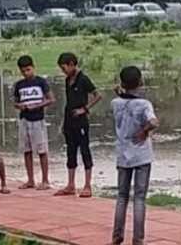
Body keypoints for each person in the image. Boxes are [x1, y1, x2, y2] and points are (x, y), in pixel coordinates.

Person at [110, 66, 158, 245]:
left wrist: (119, 91)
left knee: (122, 197)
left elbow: (123, 98)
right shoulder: (144, 105)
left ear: (122, 83)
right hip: (142, 156)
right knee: (139, 198)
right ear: (140, 82)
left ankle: (117, 236)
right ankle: (138, 239)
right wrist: (144, 130)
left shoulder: (115, 103)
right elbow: (154, 122)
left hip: (123, 156)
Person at [55, 52, 101, 198]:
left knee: (85, 150)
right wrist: (63, 122)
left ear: (72, 64)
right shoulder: (68, 80)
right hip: (69, 120)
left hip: (81, 121)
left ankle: (87, 185)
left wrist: (84, 109)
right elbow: (68, 102)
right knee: (71, 151)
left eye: (64, 68)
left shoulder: (83, 79)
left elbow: (98, 95)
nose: (63, 71)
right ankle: (71, 185)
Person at [13, 54, 54, 190]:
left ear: (33, 68)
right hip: (24, 119)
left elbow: (50, 99)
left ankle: (45, 180)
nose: (26, 73)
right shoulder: (19, 85)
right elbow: (15, 102)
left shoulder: (41, 82)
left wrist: (37, 105)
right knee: (27, 150)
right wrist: (20, 106)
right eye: (23, 71)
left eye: (28, 70)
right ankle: (30, 180)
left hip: (38, 119)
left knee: (42, 150)